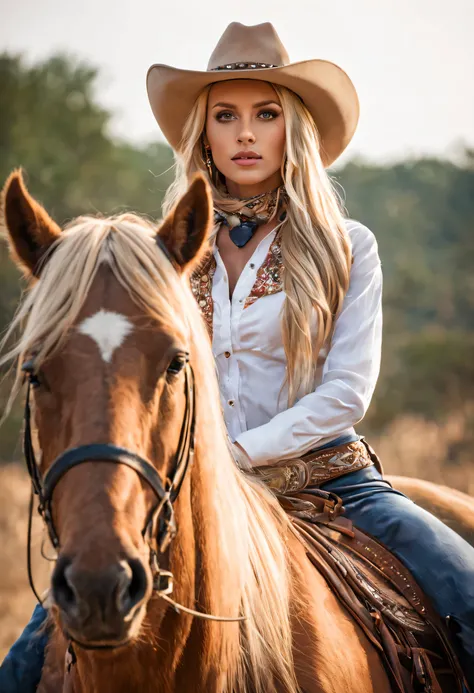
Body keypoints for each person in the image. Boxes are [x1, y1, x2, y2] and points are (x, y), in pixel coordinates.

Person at [2, 20, 474, 692]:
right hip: (185, 496)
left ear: (294, 129)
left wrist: (233, 457)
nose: (245, 133)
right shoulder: (157, 262)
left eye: (265, 114)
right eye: (226, 115)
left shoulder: (347, 247)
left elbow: (346, 394)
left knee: (466, 593)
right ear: (205, 132)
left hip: (334, 487)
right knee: (24, 666)